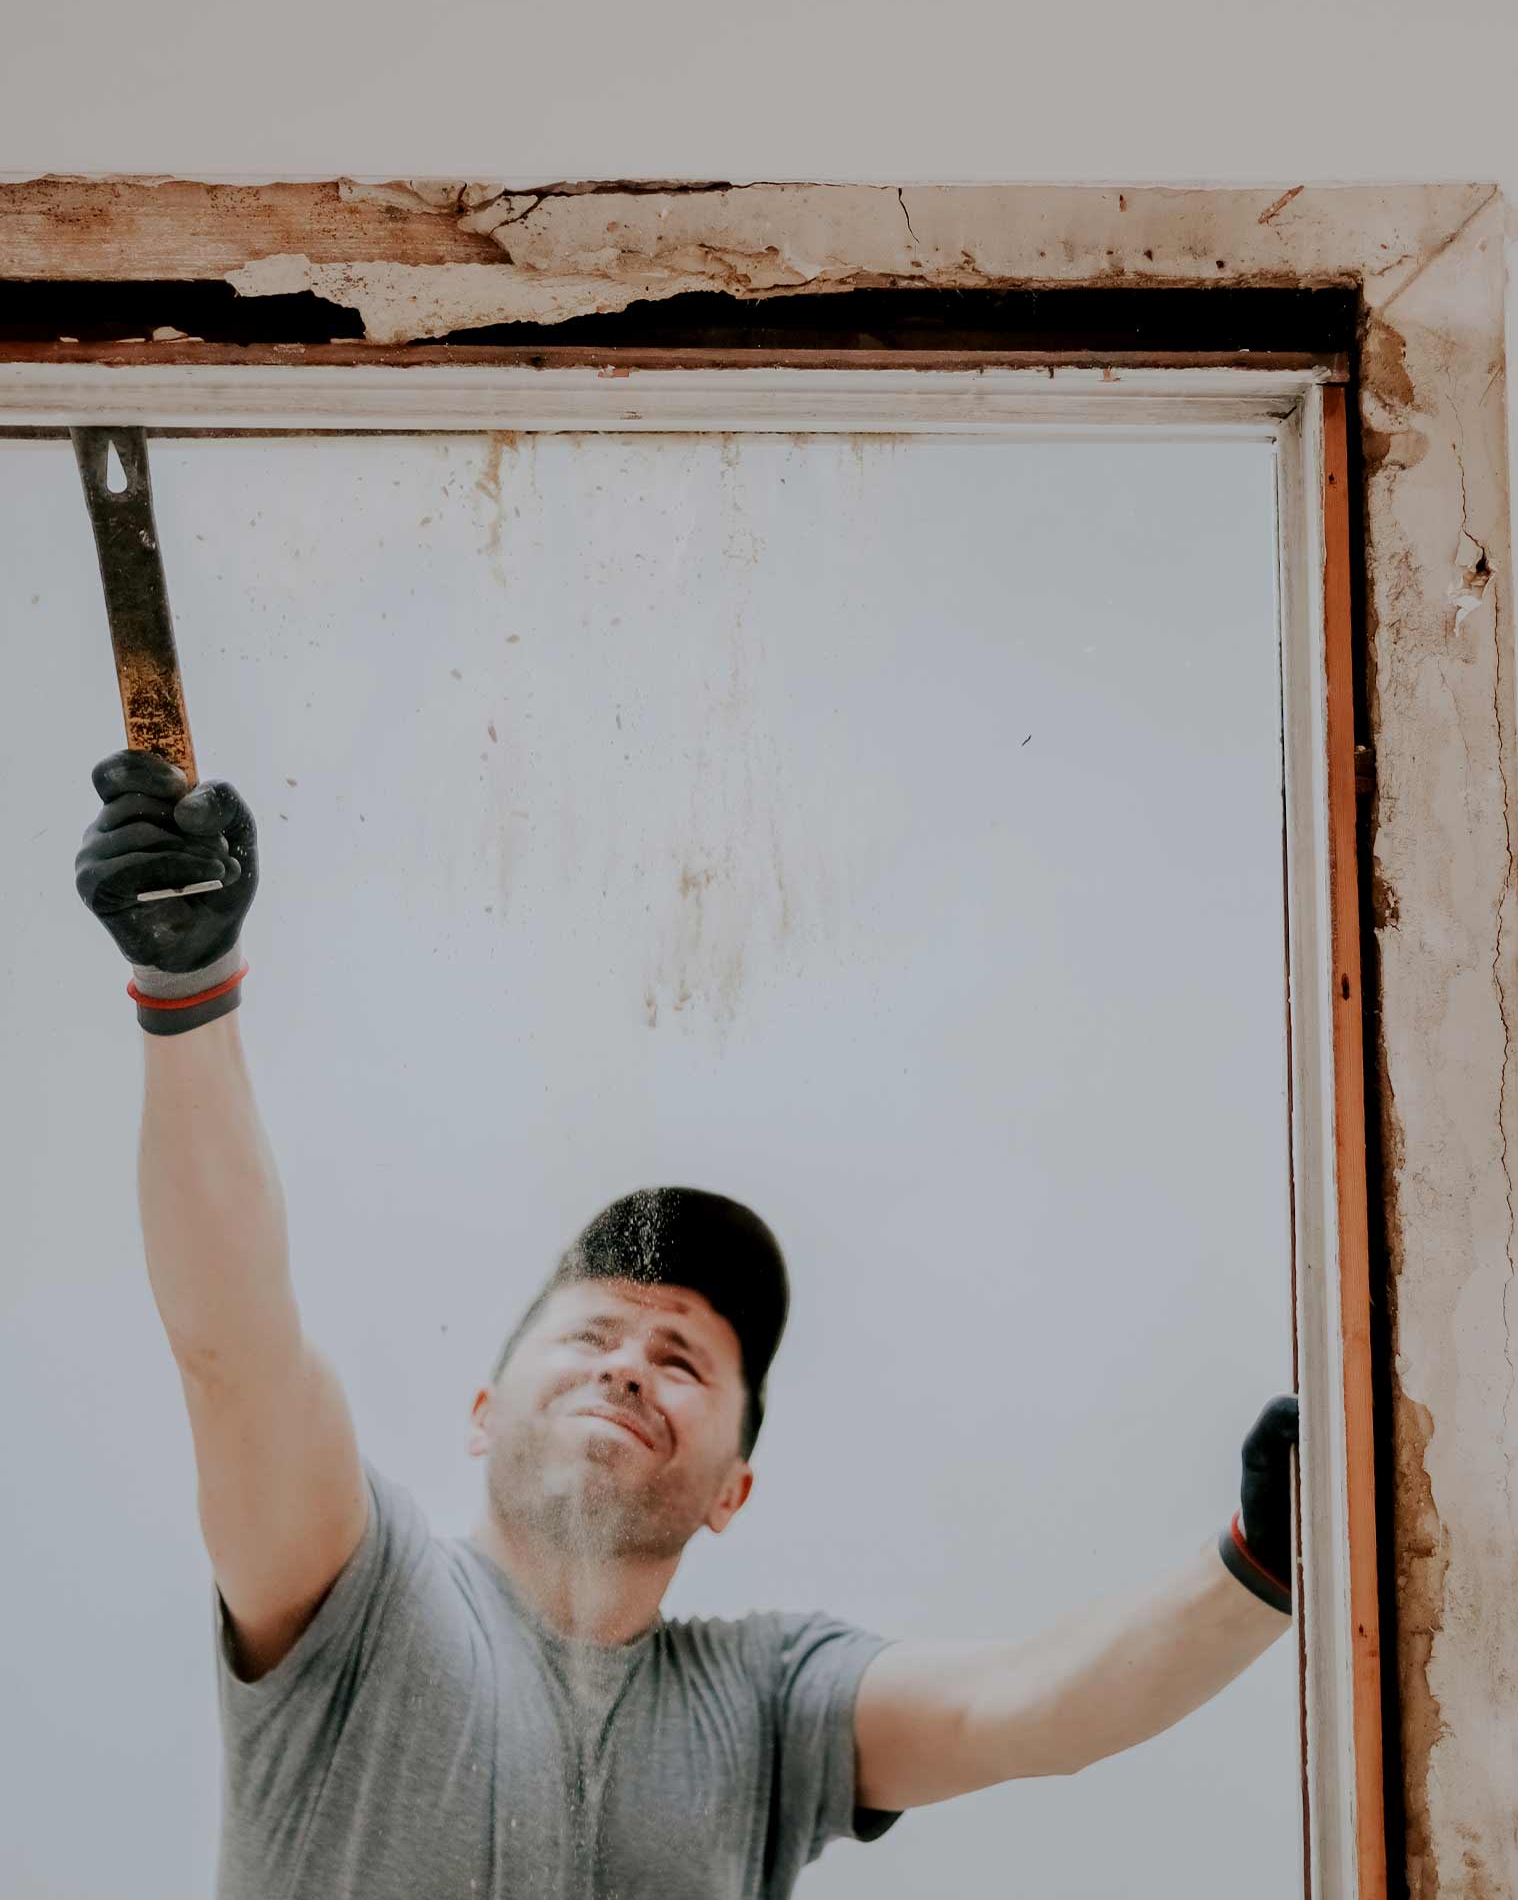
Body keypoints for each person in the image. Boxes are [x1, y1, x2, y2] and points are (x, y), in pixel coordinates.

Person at [76, 748, 1301, 1900]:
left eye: (682, 1362)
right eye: (594, 1335)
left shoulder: (767, 1707)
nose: (627, 1369)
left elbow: (1028, 1708)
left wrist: (1264, 1561)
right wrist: (186, 990)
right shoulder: (356, 1593)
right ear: (483, 1412)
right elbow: (231, 1344)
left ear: (732, 1490)